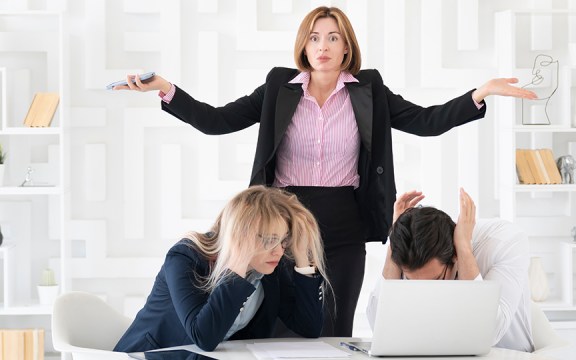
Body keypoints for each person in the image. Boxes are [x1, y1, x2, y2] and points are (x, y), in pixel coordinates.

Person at [113, 6, 537, 336]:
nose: (323, 45)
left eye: (333, 37)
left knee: (334, 329)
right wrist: (166, 90)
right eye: (315, 37)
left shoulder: (369, 89)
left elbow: (426, 121)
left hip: (343, 223)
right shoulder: (278, 88)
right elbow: (217, 121)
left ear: (346, 48)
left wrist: (479, 94)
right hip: (282, 221)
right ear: (304, 44)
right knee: (279, 325)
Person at [113, 186, 329, 352]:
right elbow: (204, 336)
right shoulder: (185, 257)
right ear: (240, 234)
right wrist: (238, 264)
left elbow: (309, 328)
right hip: (148, 356)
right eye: (270, 240)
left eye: (284, 241)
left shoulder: (271, 267)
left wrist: (302, 258)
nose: (279, 252)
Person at [367, 189, 534, 352]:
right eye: (412, 282)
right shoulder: (409, 253)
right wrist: (394, 239)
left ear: (453, 254)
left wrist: (463, 248)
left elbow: (489, 334)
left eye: (436, 280)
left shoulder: (504, 241)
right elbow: (378, 325)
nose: (426, 294)